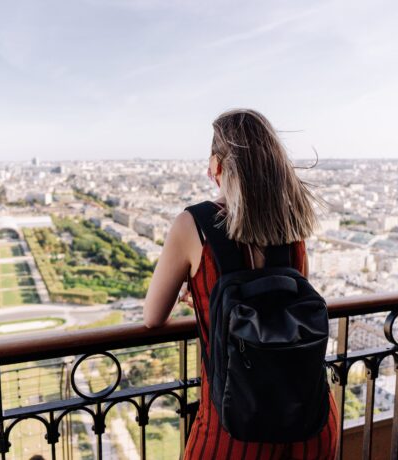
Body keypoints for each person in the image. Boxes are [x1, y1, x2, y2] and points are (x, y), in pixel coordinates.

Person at [143, 109, 338, 459]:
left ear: (219, 164)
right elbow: (283, 304)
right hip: (308, 416)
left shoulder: (194, 224)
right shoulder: (292, 223)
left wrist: (203, 297)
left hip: (235, 424)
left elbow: (153, 316)